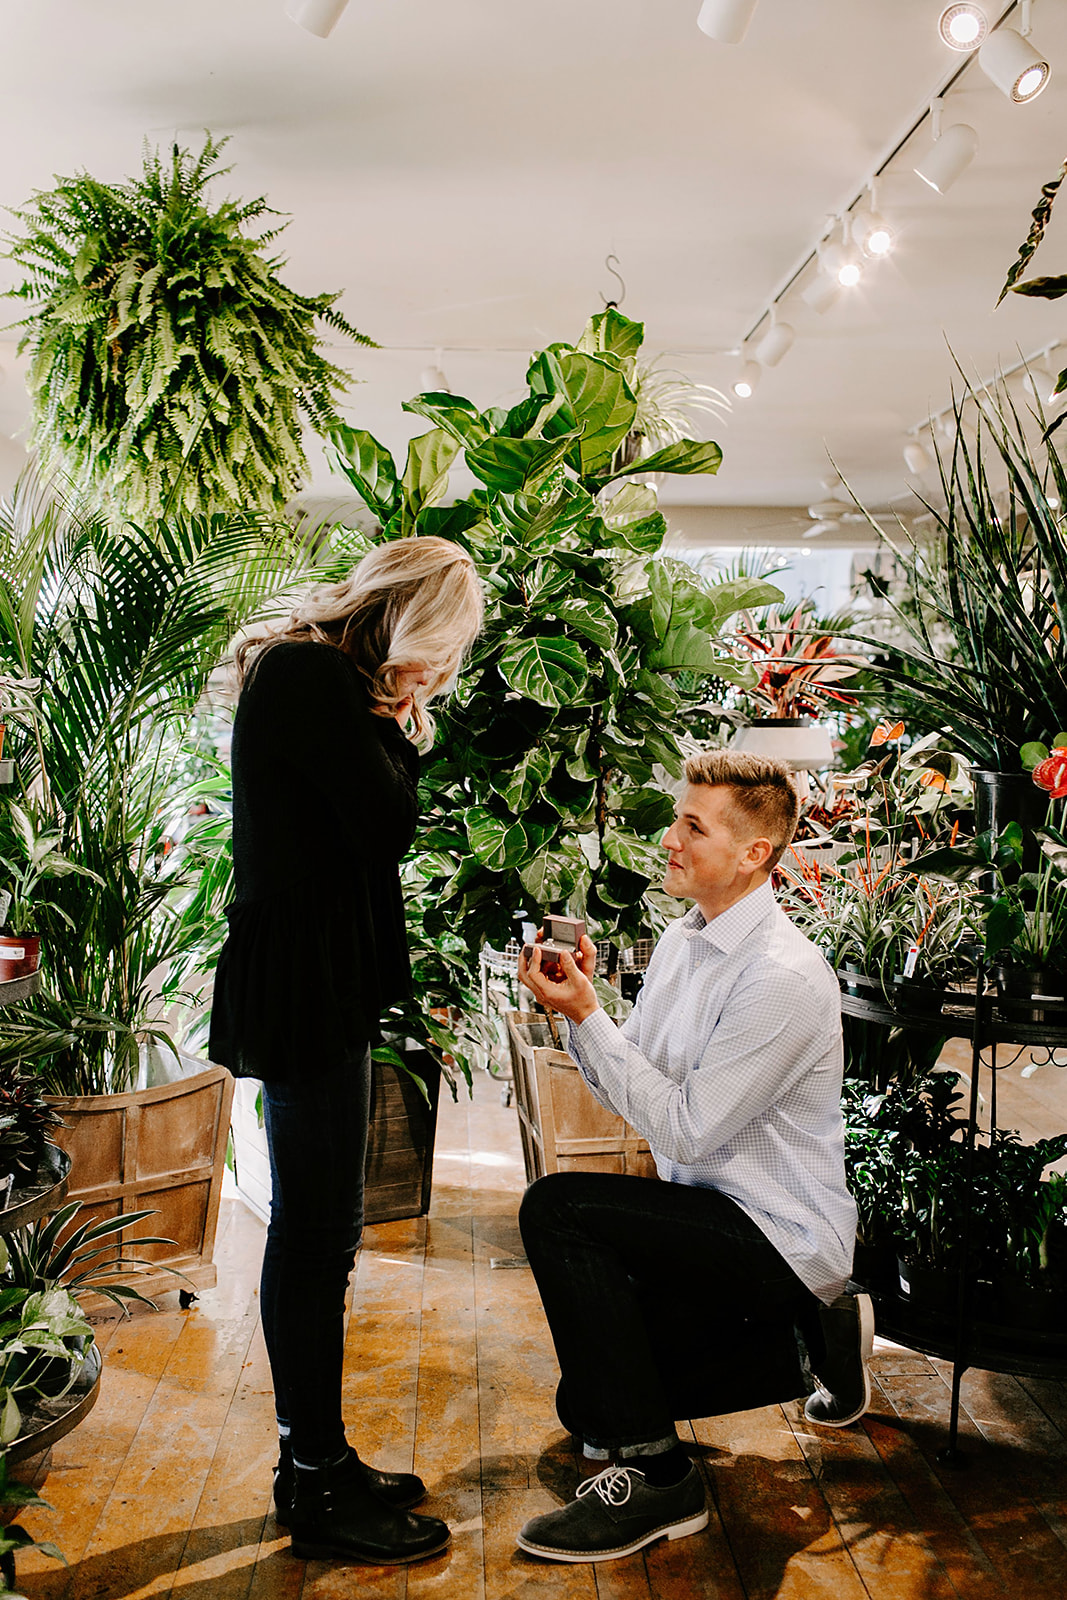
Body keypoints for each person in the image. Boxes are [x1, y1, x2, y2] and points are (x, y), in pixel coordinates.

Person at [514, 749, 868, 1565]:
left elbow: (685, 1128)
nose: (668, 839)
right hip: (711, 1218)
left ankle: (659, 1477)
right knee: (585, 1406)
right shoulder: (685, 940)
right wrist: (582, 1014)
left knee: (555, 1207)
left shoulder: (781, 977)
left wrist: (591, 1021)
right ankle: (805, 1342)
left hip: (775, 1234)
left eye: (691, 825)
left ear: (754, 853)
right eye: (678, 817)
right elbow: (634, 1088)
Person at [208, 537, 483, 1566]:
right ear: (411, 619)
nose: (442, 671)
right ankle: (314, 1478)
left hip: (320, 969)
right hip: (304, 979)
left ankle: (312, 1460)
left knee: (327, 1230)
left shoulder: (314, 675)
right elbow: (383, 826)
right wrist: (399, 714)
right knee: (316, 1232)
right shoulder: (313, 677)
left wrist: (393, 712)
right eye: (442, 646)